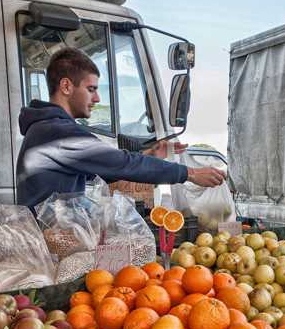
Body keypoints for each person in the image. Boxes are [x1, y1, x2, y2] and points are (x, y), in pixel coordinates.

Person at [16, 47, 226, 211]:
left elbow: (102, 168)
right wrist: (189, 173)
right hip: (48, 244)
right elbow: (120, 163)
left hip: (51, 237)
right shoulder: (58, 132)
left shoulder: (47, 128)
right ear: (66, 86)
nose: (97, 99)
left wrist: (147, 154)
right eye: (91, 90)